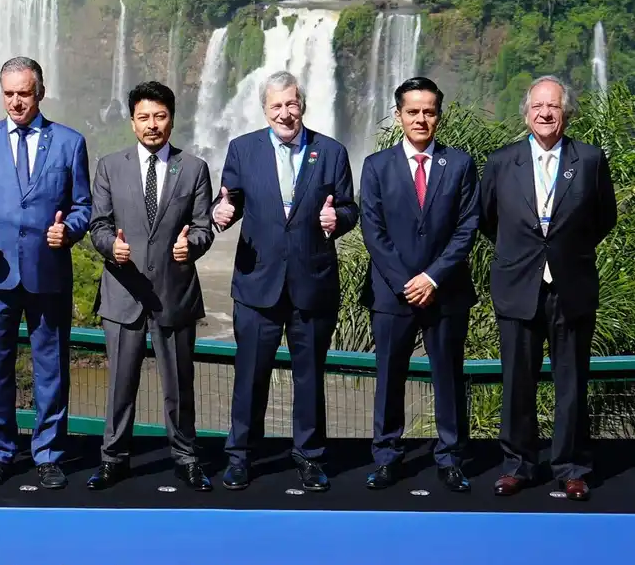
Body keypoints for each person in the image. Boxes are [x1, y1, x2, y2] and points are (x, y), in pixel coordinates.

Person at [211, 70, 357, 492]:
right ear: (264, 109)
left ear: (303, 105)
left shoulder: (331, 152)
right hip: (258, 286)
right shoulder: (243, 149)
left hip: (312, 284)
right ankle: (240, 456)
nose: (285, 113)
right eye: (276, 105)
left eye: (292, 104)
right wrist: (221, 216)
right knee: (249, 376)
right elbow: (229, 203)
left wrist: (338, 220)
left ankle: (309, 457)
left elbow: (349, 208)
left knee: (309, 378)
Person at [0, 56, 92, 489]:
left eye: (24, 93)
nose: (16, 101)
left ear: (40, 93)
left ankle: (49, 454)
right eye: (9, 93)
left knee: (50, 367)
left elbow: (84, 207)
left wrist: (67, 231)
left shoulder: (70, 143)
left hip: (48, 272)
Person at [480, 75, 617, 501]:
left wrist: (564, 253)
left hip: (570, 286)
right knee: (517, 382)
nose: (545, 113)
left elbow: (603, 218)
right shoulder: (502, 162)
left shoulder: (590, 160)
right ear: (526, 112)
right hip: (518, 284)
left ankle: (571, 467)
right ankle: (518, 464)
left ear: (565, 112)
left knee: (571, 381)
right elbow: (488, 219)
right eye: (538, 106)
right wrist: (526, 255)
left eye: (553, 107)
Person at [86, 80, 214, 491]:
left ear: (171, 120)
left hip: (174, 293)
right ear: (132, 122)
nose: (152, 125)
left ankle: (186, 457)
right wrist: (111, 248)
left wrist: (190, 246)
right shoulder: (110, 165)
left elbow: (203, 226)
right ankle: (112, 459)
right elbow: (98, 224)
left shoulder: (193, 168)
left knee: (179, 385)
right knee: (120, 385)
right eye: (144, 117)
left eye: (160, 116)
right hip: (123, 291)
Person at [358, 76, 480, 493]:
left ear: (438, 116)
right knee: (389, 378)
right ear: (399, 115)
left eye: (429, 111)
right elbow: (372, 230)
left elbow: (468, 227)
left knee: (448, 376)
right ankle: (388, 457)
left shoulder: (460, 164)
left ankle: (450, 459)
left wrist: (431, 277)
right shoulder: (376, 166)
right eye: (413, 111)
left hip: (445, 291)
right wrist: (405, 281)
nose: (421, 119)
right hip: (393, 294)